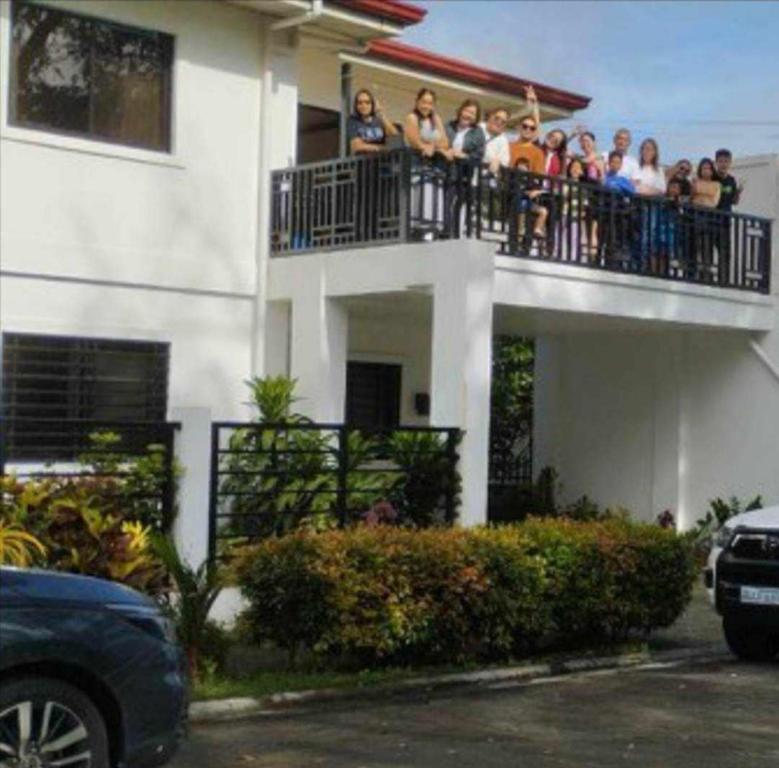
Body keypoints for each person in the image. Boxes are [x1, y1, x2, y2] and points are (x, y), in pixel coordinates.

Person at [631, 138, 666, 273]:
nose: (647, 151)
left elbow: (662, 190)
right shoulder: (636, 166)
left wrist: (643, 187)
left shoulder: (659, 170)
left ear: (655, 152)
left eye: (650, 149)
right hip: (637, 204)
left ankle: (644, 264)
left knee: (648, 234)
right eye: (644, 148)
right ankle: (636, 263)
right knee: (636, 234)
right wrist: (649, 189)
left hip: (652, 206)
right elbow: (634, 187)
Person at [347, 88, 398, 155]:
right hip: (364, 163)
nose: (364, 106)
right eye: (360, 103)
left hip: (383, 162)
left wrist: (382, 114)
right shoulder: (353, 121)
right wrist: (382, 148)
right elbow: (357, 146)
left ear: (372, 105)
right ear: (356, 106)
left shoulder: (379, 120)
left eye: (367, 102)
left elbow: (395, 135)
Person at [404, 88, 450, 161]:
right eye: (423, 102)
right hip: (416, 159)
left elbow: (445, 143)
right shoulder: (412, 118)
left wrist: (432, 146)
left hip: (434, 159)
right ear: (417, 102)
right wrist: (437, 148)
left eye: (430, 104)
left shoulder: (436, 119)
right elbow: (416, 143)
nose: (426, 106)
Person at [513, 157, 548, 243]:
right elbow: (514, 190)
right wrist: (527, 193)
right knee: (521, 223)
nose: (522, 168)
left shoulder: (529, 179)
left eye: (525, 166)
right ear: (516, 166)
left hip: (529, 204)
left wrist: (537, 191)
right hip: (518, 202)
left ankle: (537, 229)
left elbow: (540, 187)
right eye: (520, 165)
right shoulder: (513, 177)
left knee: (543, 211)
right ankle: (519, 240)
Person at [445, 99, 486, 164]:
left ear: (476, 117)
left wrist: (464, 156)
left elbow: (479, 155)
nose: (468, 115)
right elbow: (438, 143)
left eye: (472, 113)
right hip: (443, 165)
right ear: (461, 111)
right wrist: (445, 152)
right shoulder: (449, 125)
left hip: (463, 170)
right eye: (466, 111)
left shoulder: (478, 132)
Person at [478, 106, 511, 174]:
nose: (499, 122)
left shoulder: (503, 140)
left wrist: (498, 162)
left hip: (485, 179)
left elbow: (505, 162)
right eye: (497, 118)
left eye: (503, 122)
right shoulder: (478, 128)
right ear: (490, 116)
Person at [714, 148, 743, 213]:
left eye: (726, 161)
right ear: (716, 162)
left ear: (730, 163)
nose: (723, 164)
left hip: (726, 218)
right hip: (712, 218)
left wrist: (738, 192)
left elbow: (734, 202)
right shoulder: (712, 178)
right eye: (720, 161)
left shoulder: (731, 180)